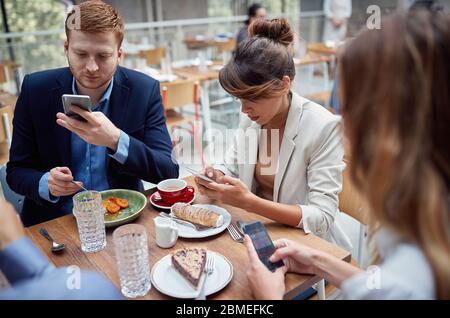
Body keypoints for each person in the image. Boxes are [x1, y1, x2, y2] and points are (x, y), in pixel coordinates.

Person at [244, 9, 450, 299]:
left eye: (351, 107)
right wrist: (317, 260)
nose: (345, 124)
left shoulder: (408, 284)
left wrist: (270, 298)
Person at [6, 1, 178, 227]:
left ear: (119, 54)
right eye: (81, 53)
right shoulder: (35, 89)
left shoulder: (144, 91)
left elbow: (167, 172)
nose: (91, 67)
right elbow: (16, 171)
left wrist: (115, 140)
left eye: (103, 56)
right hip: (56, 222)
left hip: (124, 219)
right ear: (66, 48)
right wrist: (46, 183)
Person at [196, 19, 351, 250]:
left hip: (307, 248)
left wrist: (250, 203)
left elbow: (321, 217)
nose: (243, 109)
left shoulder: (323, 127)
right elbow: (233, 165)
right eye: (239, 99)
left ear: (283, 85)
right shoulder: (252, 117)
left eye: (252, 98)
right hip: (255, 234)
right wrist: (217, 175)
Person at [0, 198, 122, 299]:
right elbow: (91, 291)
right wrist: (14, 246)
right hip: (52, 226)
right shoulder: (94, 291)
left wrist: (14, 248)